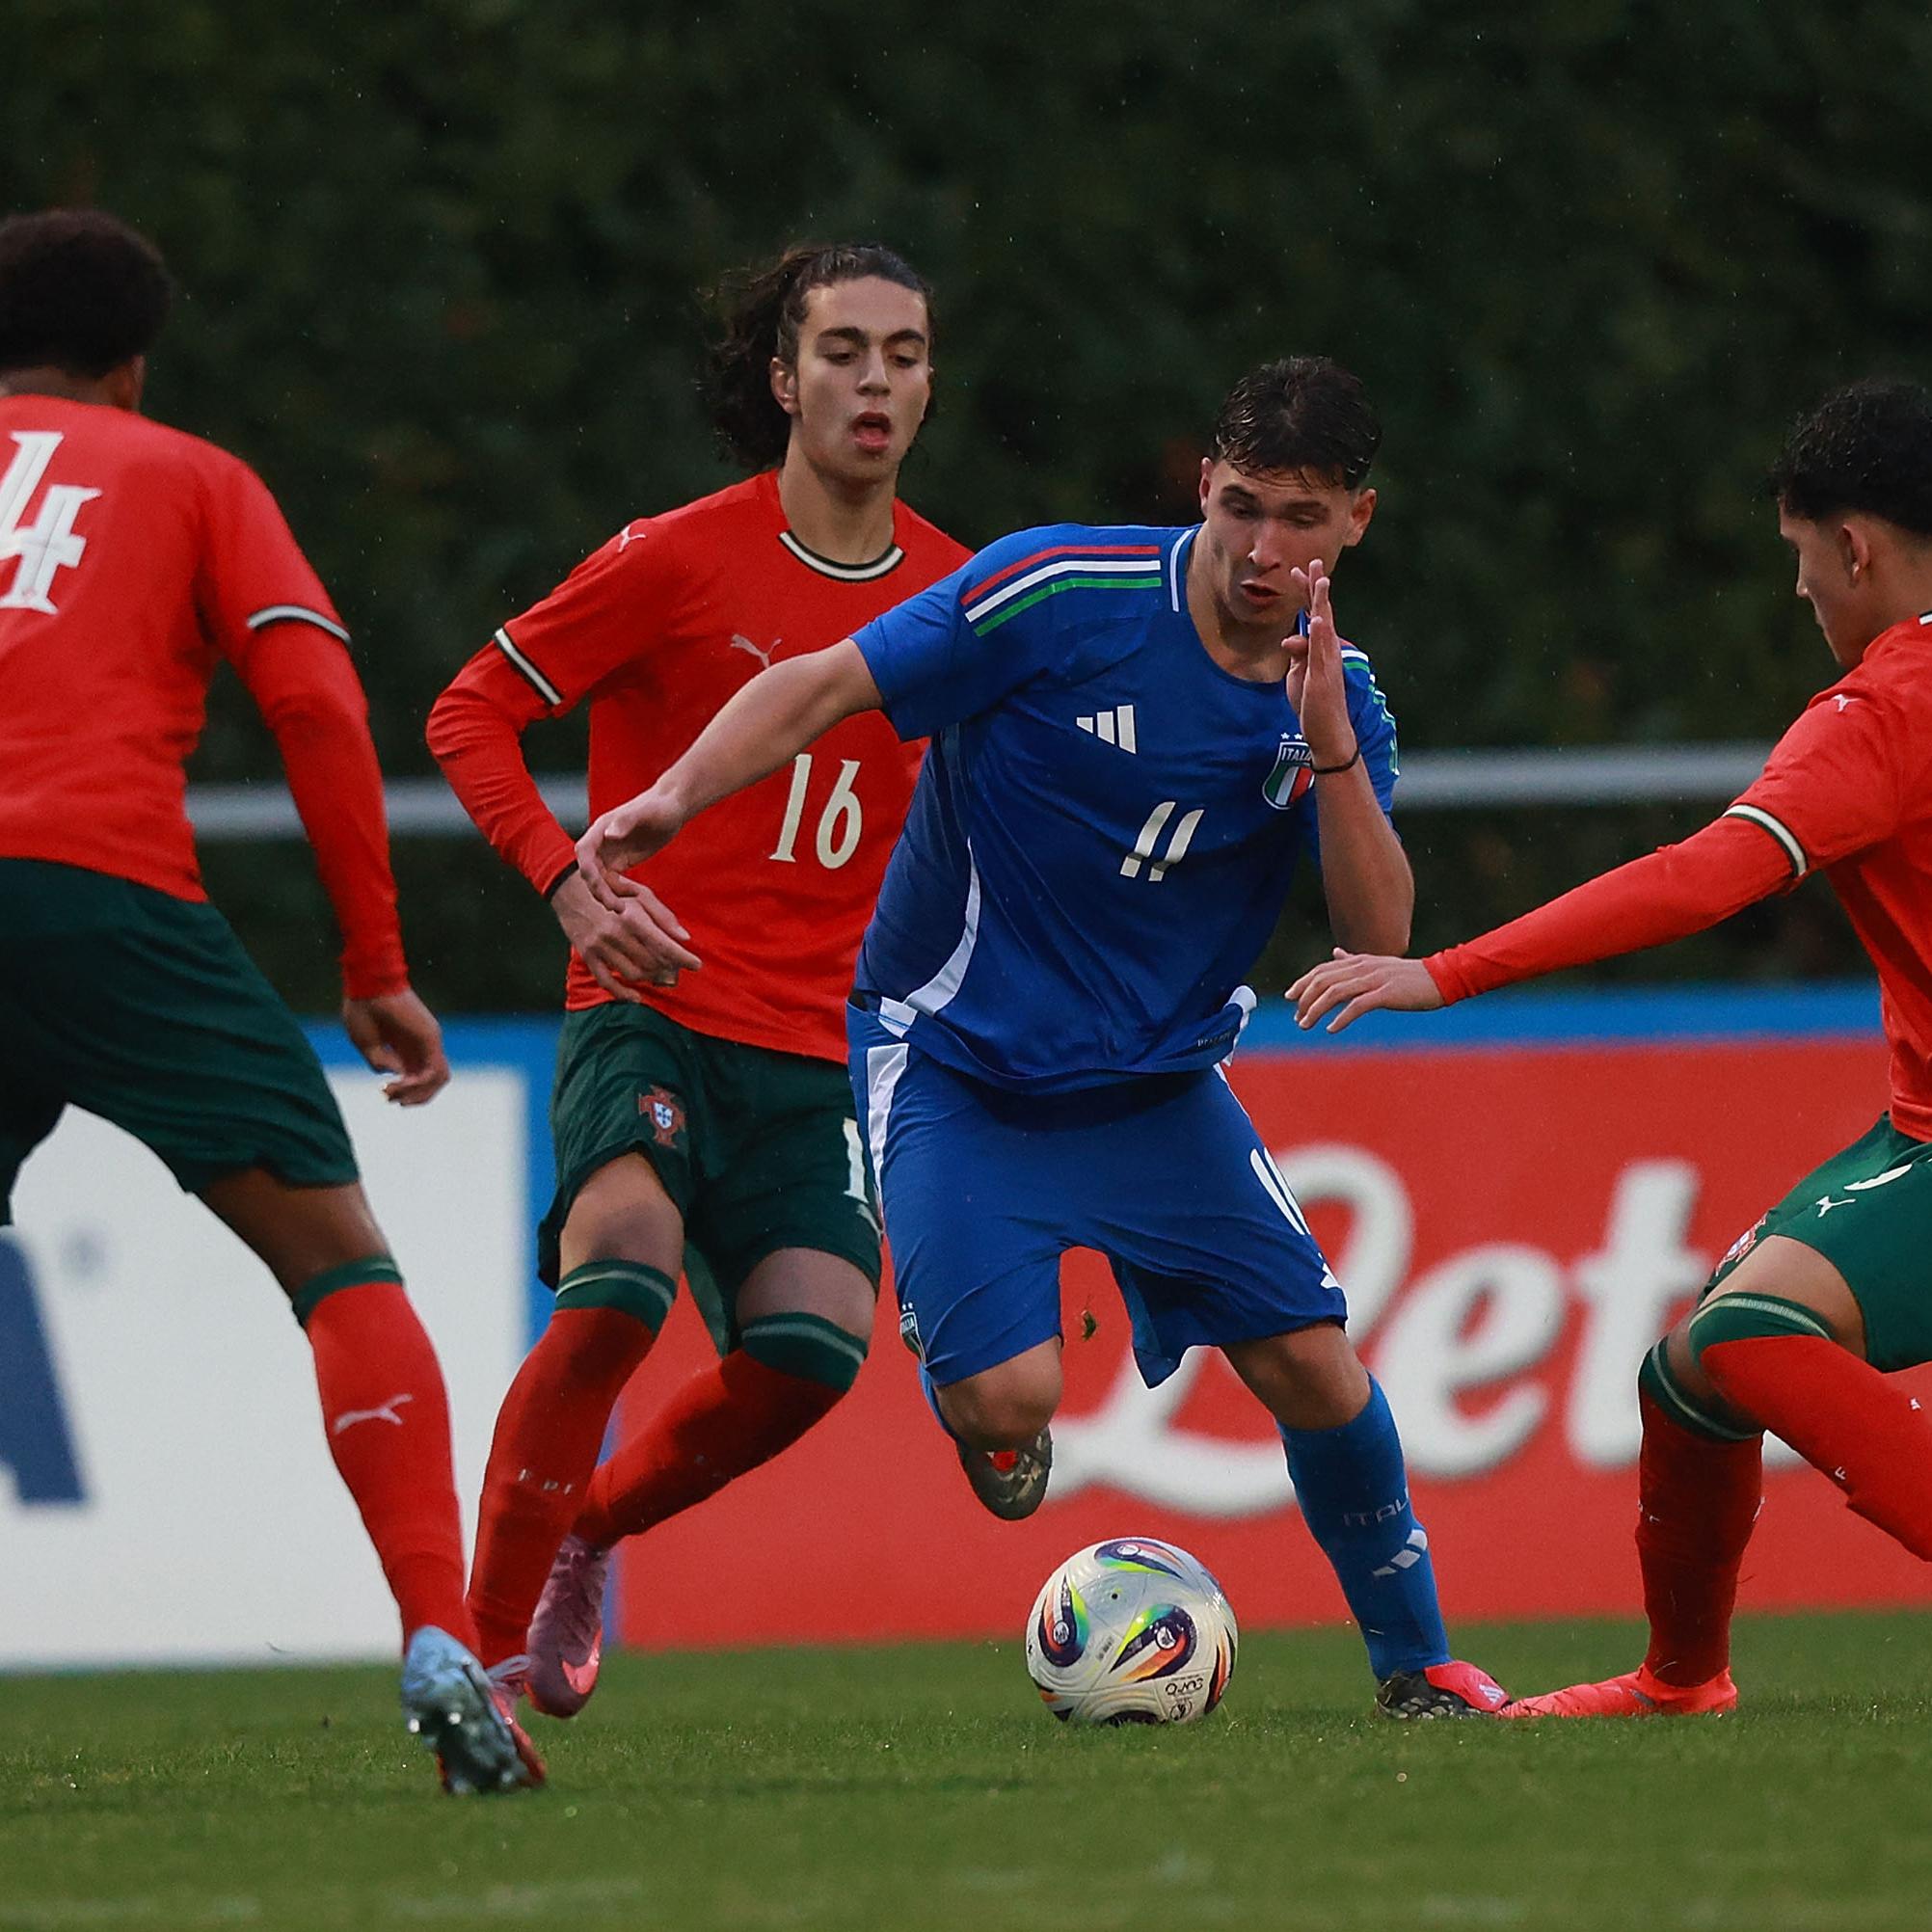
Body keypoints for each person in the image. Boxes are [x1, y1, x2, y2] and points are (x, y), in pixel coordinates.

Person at [572, 357, 1510, 1720]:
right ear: (1204, 487)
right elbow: (827, 681)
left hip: (1156, 1088)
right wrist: (671, 797)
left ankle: (1415, 1663)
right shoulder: (1058, 593)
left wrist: (1330, 755)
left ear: (1356, 522)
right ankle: (989, 1421)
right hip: (958, 1063)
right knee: (1010, 1404)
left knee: (1314, 1361)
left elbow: (1380, 935)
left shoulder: (1335, 697)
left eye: (1301, 518)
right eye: (1242, 504)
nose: (1263, 548)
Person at [1289, 377, 1932, 1719]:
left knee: (1745, 1334)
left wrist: (1448, 971)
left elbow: (1708, 877)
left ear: (1855, 548)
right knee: (1694, 1368)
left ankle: (1679, 1682)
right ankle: (1679, 1682)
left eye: (1803, 561)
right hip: (1912, 1133)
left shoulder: (1885, 711)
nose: (1804, 593)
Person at [0, 209, 538, 1792]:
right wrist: (373, 966)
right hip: (108, 898)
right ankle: (444, 1644)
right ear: (136, 362)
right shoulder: (186, 476)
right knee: (337, 1265)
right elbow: (310, 697)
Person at [427, 244, 970, 1721]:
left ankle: (587, 1534)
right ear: (783, 380)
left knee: (806, 1355)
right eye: (845, 350)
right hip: (648, 1006)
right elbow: (468, 714)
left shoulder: (957, 598)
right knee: (615, 1287)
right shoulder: (674, 557)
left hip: (818, 1050)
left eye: (905, 353)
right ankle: (471, 1664)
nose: (876, 379)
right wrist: (567, 885)